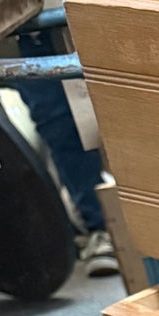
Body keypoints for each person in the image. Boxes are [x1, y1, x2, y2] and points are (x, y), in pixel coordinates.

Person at [16, 25, 118, 279]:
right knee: (60, 122)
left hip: (79, 13)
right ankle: (100, 227)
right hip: (21, 30)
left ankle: (142, 220)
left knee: (121, 105)